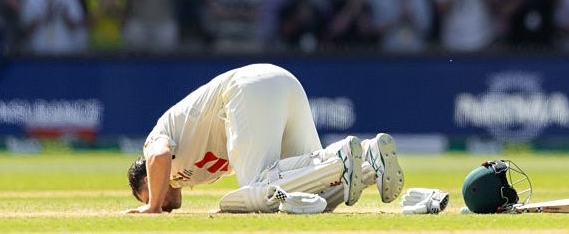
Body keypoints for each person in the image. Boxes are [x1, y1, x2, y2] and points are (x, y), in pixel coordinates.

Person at [125, 63, 404, 214]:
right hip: (282, 80)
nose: (161, 203)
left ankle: (341, 159)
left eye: (146, 196)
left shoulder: (156, 142)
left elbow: (158, 156)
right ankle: (368, 160)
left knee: (258, 194)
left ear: (148, 180)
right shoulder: (189, 174)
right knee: (312, 196)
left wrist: (151, 209)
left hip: (245, 89)